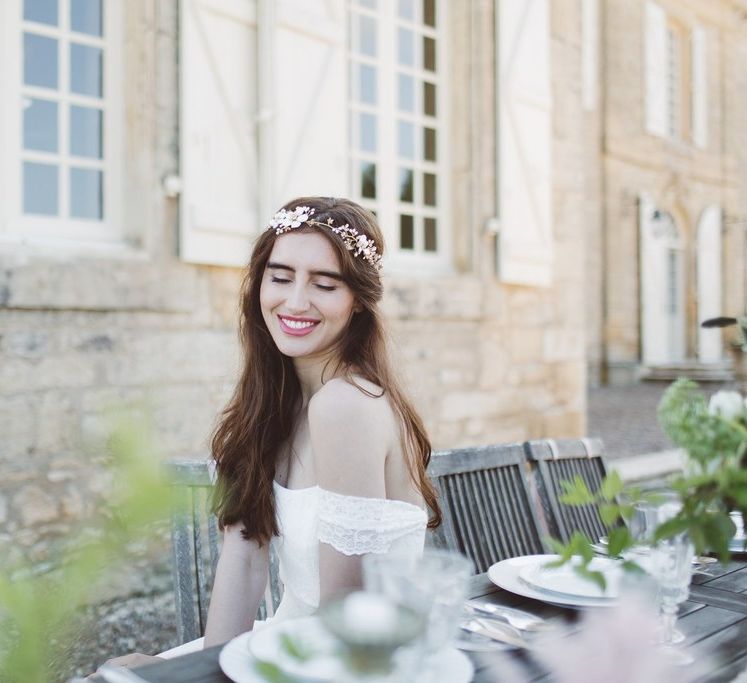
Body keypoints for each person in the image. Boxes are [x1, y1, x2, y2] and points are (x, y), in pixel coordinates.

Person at [102, 196, 440, 669]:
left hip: (352, 661)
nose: (295, 301)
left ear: (358, 301)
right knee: (116, 671)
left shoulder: (345, 406)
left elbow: (342, 624)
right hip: (294, 640)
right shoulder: (271, 405)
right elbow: (243, 559)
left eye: (324, 284)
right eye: (280, 277)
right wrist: (208, 672)